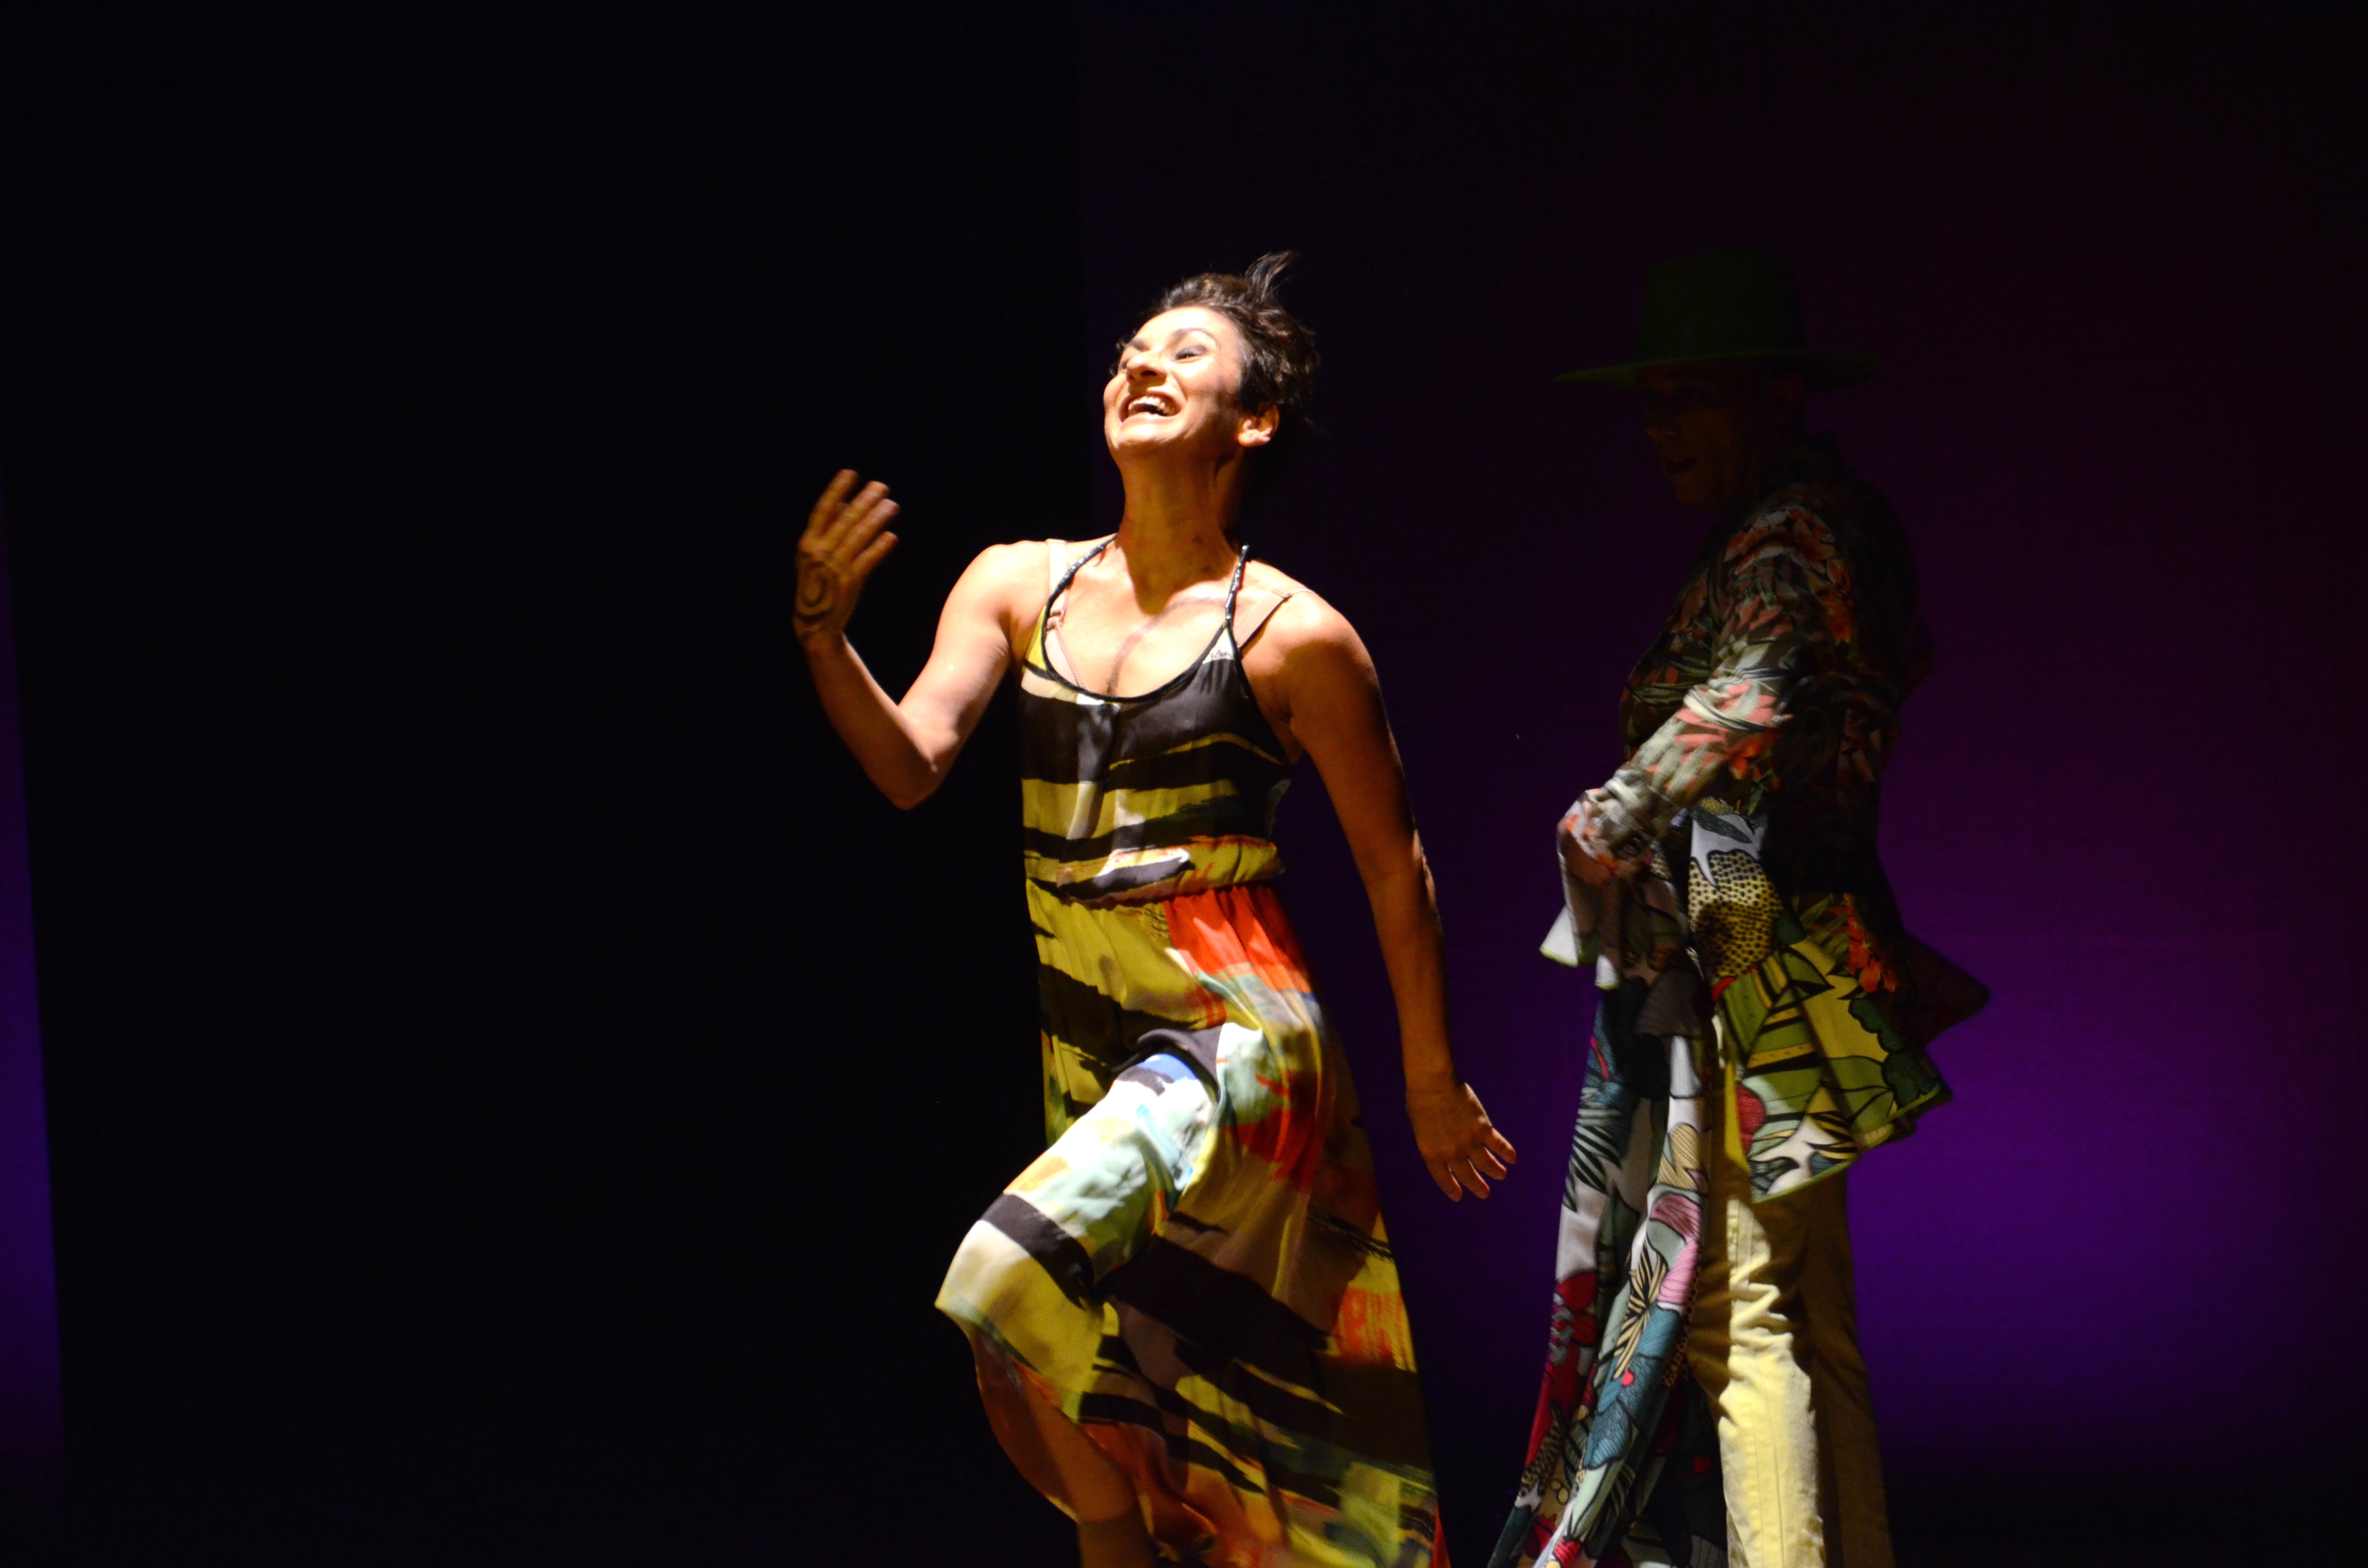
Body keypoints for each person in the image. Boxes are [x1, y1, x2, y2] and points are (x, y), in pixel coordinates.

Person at [796, 254, 1515, 1568]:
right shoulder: (1018, 583)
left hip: (1237, 1039)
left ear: (1255, 422)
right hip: (1090, 1032)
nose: (1141, 363)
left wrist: (1429, 1079)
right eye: (1134, 347)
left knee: (1006, 1276)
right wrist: (826, 640)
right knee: (1105, 1358)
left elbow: (1394, 869)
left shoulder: (1296, 635)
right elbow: (910, 767)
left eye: (1186, 353)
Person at [1492, 250, 1988, 1568]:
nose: (1664, 431)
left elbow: (1750, 695)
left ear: (1776, 396)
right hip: (1797, 918)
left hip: (1749, 919)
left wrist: (1607, 817)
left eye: (1693, 399)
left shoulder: (1789, 539)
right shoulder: (1833, 524)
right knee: (1807, 1307)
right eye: (1654, 405)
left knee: (1740, 1309)